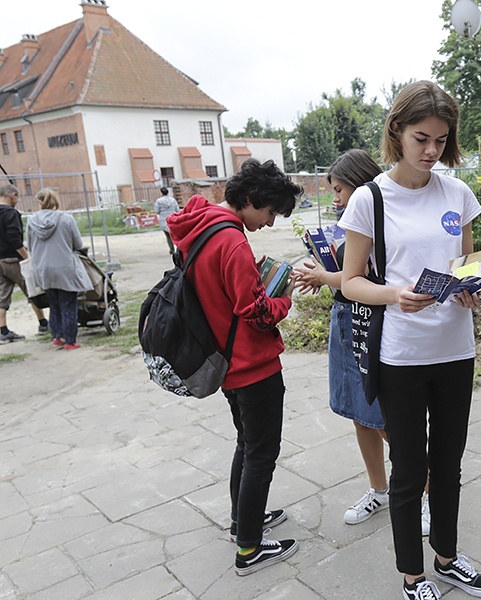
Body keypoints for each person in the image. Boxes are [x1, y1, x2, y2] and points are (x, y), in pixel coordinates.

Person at [340, 81, 481, 600]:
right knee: (409, 470)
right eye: (421, 138)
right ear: (397, 132)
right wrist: (393, 295)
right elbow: (350, 280)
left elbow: (466, 268)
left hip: (456, 350)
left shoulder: (458, 194)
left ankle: (448, 558)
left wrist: (475, 291)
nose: (431, 151)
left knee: (449, 464)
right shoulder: (370, 199)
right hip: (401, 356)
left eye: (440, 141)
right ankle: (413, 576)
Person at [167, 159, 305, 576]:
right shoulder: (232, 242)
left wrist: (251, 273)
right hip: (253, 364)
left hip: (226, 362)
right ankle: (249, 548)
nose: (269, 222)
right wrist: (284, 299)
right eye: (269, 212)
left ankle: (242, 522)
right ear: (250, 200)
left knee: (247, 444)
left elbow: (221, 288)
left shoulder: (203, 226)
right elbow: (257, 312)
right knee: (262, 452)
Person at [297, 150, 395, 527]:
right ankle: (379, 490)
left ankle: (426, 491)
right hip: (344, 320)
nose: (335, 199)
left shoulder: (380, 220)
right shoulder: (350, 221)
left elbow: (364, 277)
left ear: (360, 183)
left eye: (340, 190)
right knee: (360, 415)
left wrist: (324, 277)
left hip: (370, 324)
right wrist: (323, 274)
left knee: (384, 418)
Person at [25, 188, 93, 350]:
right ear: (55, 201)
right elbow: (77, 244)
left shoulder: (31, 221)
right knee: (68, 303)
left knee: (53, 303)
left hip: (42, 268)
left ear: (40, 202)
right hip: (64, 267)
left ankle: (57, 336)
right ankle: (70, 340)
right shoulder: (66, 219)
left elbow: (29, 245)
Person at [0, 183, 49, 343]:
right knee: (32, 290)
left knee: (2, 296)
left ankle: (3, 331)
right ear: (12, 195)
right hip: (13, 260)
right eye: (17, 197)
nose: (17, 200)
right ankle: (43, 324)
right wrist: (27, 257)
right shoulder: (11, 213)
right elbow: (14, 238)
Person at [153, 187, 180, 255]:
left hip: (163, 220)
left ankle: (172, 249)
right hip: (173, 219)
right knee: (175, 234)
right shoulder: (173, 200)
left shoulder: (159, 201)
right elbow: (177, 209)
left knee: (168, 236)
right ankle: (178, 248)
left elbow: (156, 210)